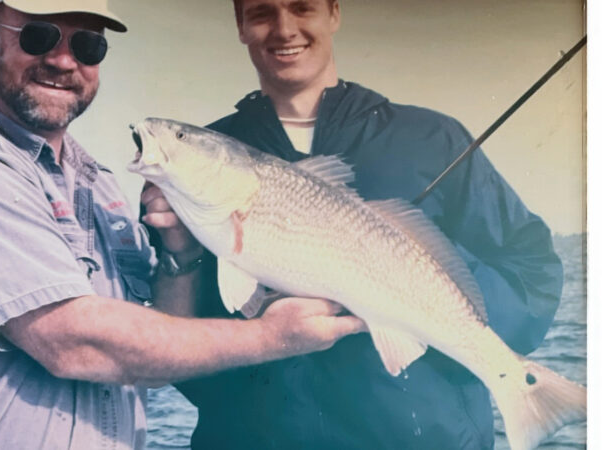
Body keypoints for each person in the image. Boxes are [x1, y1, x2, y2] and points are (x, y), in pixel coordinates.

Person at [0, 1, 368, 448]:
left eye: (88, 46)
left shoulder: (100, 184)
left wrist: (179, 254)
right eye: (40, 36)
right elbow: (75, 344)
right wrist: (272, 336)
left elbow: (156, 356)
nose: (64, 60)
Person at [163, 0, 564, 448]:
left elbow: (534, 270)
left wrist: (403, 291)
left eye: (302, 7)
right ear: (239, 25)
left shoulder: (432, 137)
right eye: (261, 13)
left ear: (334, 12)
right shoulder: (202, 159)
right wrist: (178, 253)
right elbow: (175, 356)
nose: (284, 28)